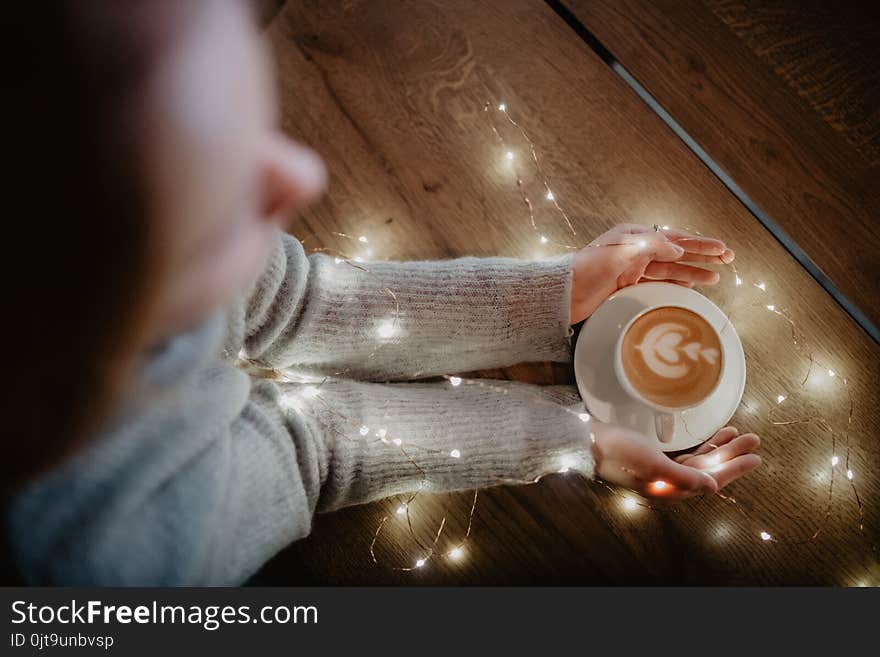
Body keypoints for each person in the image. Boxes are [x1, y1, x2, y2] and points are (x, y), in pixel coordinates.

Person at [5, 0, 759, 585]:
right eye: (197, 157)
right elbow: (314, 449)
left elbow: (293, 302)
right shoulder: (103, 567)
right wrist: (570, 438)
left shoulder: (79, 212)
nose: (299, 175)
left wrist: (552, 294)